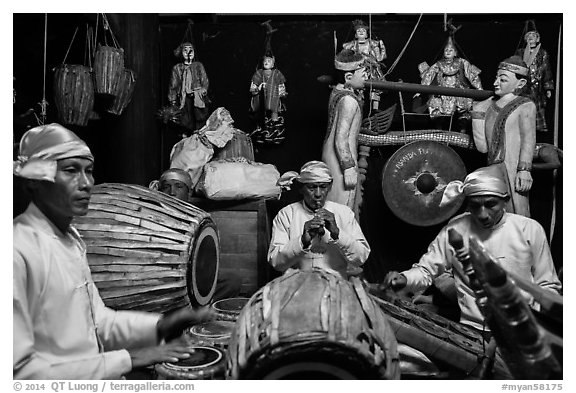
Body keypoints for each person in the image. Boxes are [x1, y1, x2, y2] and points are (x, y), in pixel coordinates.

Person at [13, 123, 213, 379]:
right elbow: (19, 375)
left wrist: (161, 325)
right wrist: (129, 359)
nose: (86, 183)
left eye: (89, 171)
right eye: (71, 170)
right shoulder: (17, 250)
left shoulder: (71, 240)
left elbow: (98, 321)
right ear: (34, 182)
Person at [382, 165, 561, 333]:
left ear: (505, 201)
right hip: (473, 330)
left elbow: (547, 284)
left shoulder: (529, 229)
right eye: (475, 206)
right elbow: (426, 270)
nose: (483, 214)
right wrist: (404, 278)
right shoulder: (456, 229)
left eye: (491, 204)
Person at [268, 161, 370, 279]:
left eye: (323, 187)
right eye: (311, 187)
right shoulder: (286, 214)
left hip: (336, 287)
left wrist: (337, 234)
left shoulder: (344, 213)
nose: (318, 194)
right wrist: (302, 241)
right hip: (297, 288)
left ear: (330, 186)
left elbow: (361, 258)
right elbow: (276, 262)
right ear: (300, 188)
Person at [154, 168, 242, 301]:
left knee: (231, 281)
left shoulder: (198, 218)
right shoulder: (153, 215)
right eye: (166, 187)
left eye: (179, 186)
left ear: (188, 193)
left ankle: (193, 310)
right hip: (162, 277)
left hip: (189, 277)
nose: (172, 192)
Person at [472, 55, 536, 217]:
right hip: (493, 170)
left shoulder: (525, 105)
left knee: (518, 215)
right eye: (496, 78)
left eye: (503, 79)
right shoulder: (487, 107)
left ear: (520, 83)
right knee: (495, 214)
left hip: (514, 169)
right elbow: (482, 148)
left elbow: (529, 139)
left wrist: (524, 170)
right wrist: (478, 112)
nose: (495, 83)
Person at [322, 49, 367, 218]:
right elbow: (341, 138)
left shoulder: (336, 92)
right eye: (363, 74)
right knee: (342, 210)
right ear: (348, 78)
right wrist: (348, 167)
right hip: (341, 162)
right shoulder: (348, 100)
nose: (366, 78)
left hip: (331, 157)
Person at [417, 36, 483, 133]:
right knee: (434, 104)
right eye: (446, 50)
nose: (448, 51)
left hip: (459, 92)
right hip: (442, 93)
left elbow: (472, 76)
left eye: (451, 50)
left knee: (465, 108)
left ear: (455, 52)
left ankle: (463, 130)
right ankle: (438, 130)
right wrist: (420, 90)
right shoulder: (438, 64)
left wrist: (480, 89)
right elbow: (428, 76)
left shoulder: (462, 62)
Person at [514, 21, 554, 133]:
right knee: (522, 108)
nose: (531, 39)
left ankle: (535, 133)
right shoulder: (520, 52)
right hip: (524, 86)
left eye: (533, 36)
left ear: (537, 39)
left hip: (537, 88)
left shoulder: (542, 53)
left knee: (537, 109)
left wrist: (548, 88)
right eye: (528, 37)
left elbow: (547, 70)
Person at [342, 19, 386, 110]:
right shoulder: (352, 45)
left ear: (367, 34)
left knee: (375, 86)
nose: (361, 32)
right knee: (357, 87)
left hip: (371, 68)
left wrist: (381, 48)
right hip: (358, 68)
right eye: (358, 31)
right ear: (355, 35)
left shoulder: (372, 44)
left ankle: (375, 108)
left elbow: (380, 58)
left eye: (363, 31)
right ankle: (358, 105)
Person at [167, 42, 210, 133]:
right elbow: (173, 86)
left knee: (199, 119)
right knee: (185, 121)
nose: (188, 52)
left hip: (197, 98)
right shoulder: (177, 68)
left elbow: (204, 80)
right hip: (184, 99)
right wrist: (173, 101)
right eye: (185, 50)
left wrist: (203, 90)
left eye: (190, 50)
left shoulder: (198, 66)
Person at [249, 52, 287, 144]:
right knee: (261, 118)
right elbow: (252, 88)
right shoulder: (259, 73)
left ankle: (276, 133)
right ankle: (261, 134)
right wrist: (258, 88)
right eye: (265, 61)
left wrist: (281, 92)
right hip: (261, 102)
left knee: (275, 116)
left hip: (274, 100)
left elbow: (282, 86)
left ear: (273, 64)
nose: (266, 62)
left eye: (269, 61)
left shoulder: (277, 74)